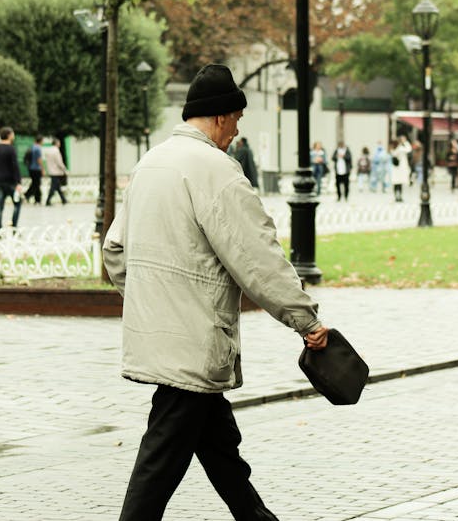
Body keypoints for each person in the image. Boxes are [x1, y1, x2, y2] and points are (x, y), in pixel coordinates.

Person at [103, 64, 329, 521]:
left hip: (161, 334)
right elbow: (258, 258)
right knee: (160, 459)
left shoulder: (150, 163)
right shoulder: (217, 171)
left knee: (221, 450)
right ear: (223, 117)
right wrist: (306, 319)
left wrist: (152, 298)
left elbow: (115, 252)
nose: (238, 131)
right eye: (238, 120)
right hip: (196, 339)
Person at [0, 126, 22, 230]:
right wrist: (18, 182)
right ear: (9, 135)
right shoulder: (11, 149)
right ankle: (14, 227)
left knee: (0, 206)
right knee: (17, 203)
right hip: (10, 181)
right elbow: (15, 166)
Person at [45, 138, 68, 206]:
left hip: (51, 171)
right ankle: (48, 200)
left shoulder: (48, 151)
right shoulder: (56, 151)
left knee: (57, 186)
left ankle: (63, 199)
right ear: (56, 143)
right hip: (56, 171)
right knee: (54, 187)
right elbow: (59, 162)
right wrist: (64, 169)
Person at [390, 136, 412, 202]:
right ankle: (399, 196)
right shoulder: (401, 149)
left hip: (395, 169)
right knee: (400, 184)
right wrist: (405, 142)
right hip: (400, 169)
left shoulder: (393, 149)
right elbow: (409, 149)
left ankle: (396, 196)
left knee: (396, 184)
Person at [25, 134, 45, 204]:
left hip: (31, 168)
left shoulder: (32, 147)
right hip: (36, 168)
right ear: (41, 141)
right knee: (36, 184)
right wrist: (43, 169)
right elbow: (39, 160)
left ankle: (37, 199)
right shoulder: (38, 148)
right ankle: (27, 195)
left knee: (36, 183)